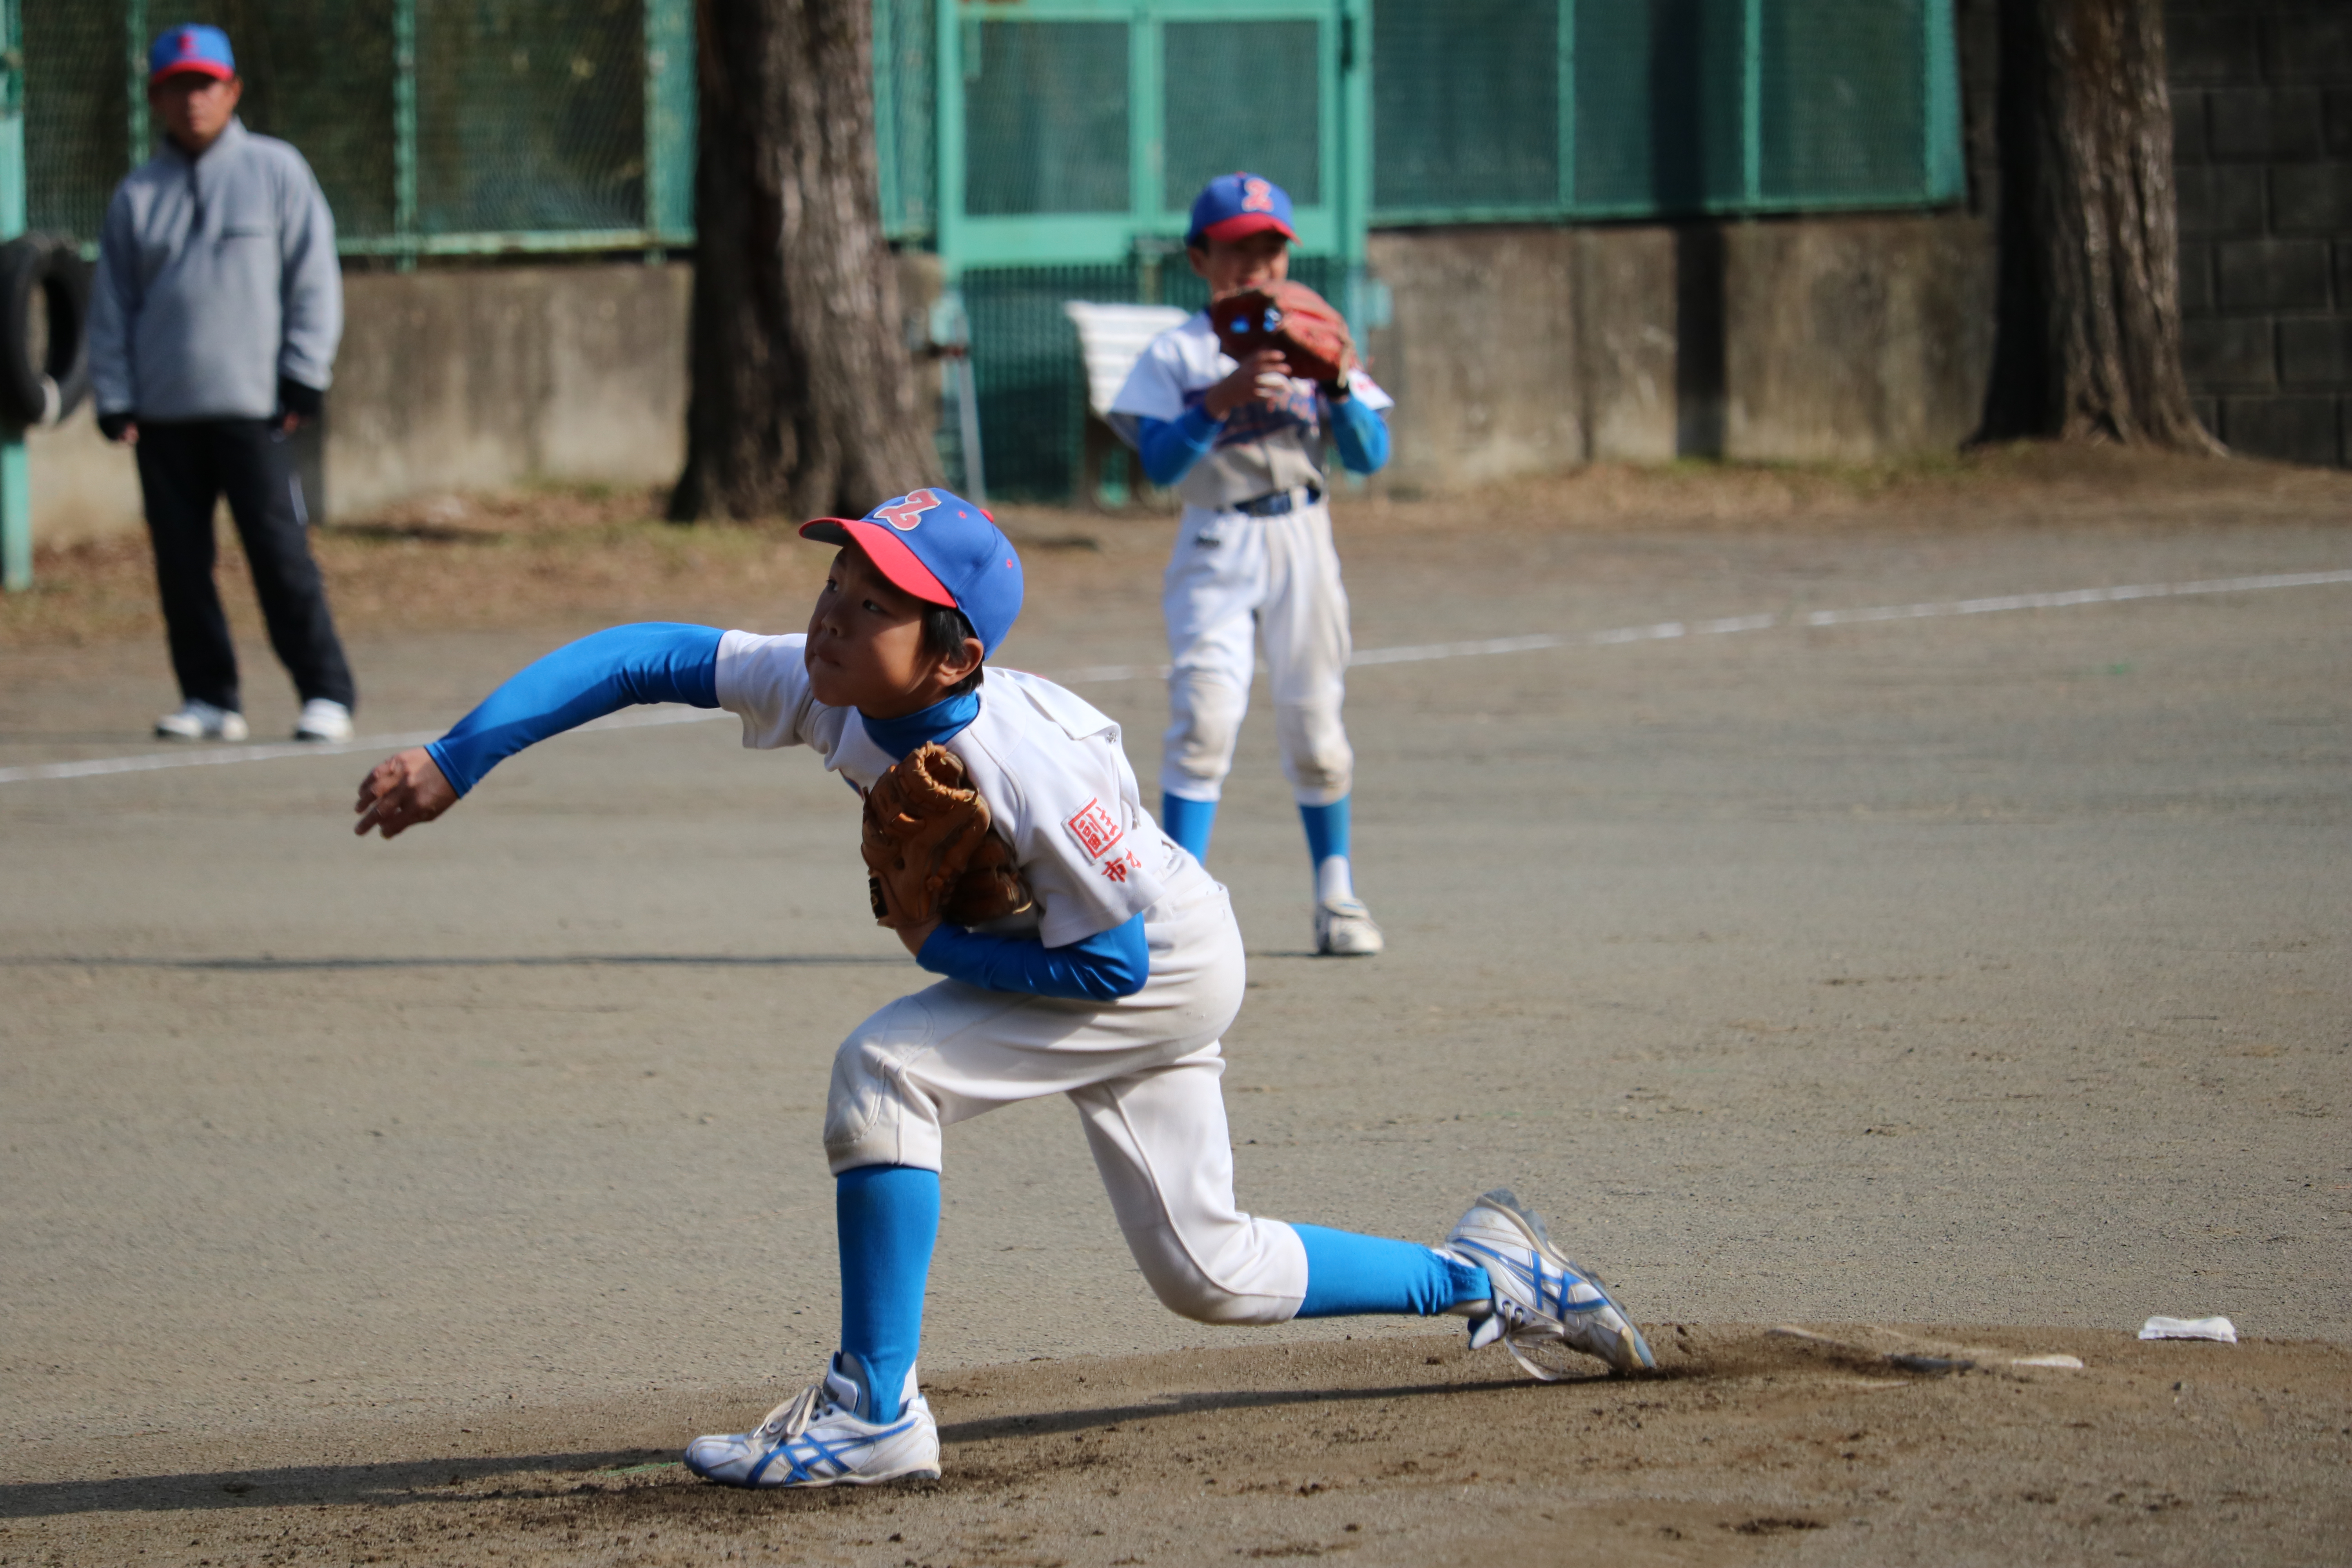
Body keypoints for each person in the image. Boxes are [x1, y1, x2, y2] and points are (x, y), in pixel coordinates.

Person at [350, 486, 1654, 1489]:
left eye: (878, 605)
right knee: (1211, 1270)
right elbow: (644, 657)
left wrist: (938, 951)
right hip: (1120, 952)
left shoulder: (1019, 766)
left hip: (1158, 960)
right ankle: (1490, 1275)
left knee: (887, 1071)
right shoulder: (829, 689)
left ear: (955, 656)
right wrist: (461, 758)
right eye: (841, 580)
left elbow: (1114, 963)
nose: (835, 615)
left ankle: (873, 1411)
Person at [1106, 173, 1394, 957]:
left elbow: (1371, 454)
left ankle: (1336, 895)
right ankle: (1178, 906)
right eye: (1236, 250)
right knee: (1204, 718)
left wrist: (1334, 381)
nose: (1256, 266)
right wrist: (1218, 399)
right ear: (1200, 258)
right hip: (1217, 542)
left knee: (1317, 723)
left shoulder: (1317, 328)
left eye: (1270, 249)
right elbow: (1161, 466)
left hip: (1304, 537)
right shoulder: (1181, 350)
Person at [88, 23, 356, 745]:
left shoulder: (277, 171)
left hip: (258, 411)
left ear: (232, 90)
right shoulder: (137, 195)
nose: (191, 100)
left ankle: (325, 692)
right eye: (176, 87)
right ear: (157, 100)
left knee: (279, 554)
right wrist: (113, 394)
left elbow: (313, 279)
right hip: (166, 414)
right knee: (181, 564)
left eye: (204, 84)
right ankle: (210, 697)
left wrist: (305, 373)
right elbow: (112, 305)